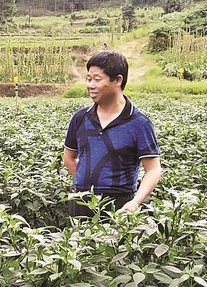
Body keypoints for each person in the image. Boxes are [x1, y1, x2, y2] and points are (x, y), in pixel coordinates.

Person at [63, 50, 161, 218]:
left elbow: (153, 169)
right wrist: (86, 188)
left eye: (97, 79)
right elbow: (69, 157)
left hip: (119, 206)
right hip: (81, 203)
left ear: (117, 80)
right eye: (88, 79)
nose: (90, 85)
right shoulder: (80, 118)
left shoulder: (139, 123)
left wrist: (135, 202)